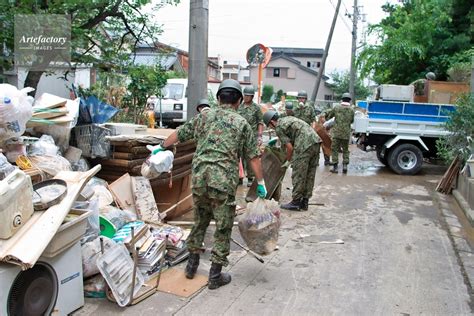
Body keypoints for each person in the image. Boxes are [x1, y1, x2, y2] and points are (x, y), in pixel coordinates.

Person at [153, 79, 267, 290]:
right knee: (223, 227)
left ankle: (191, 266)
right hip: (222, 181)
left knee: (200, 220)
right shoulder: (241, 123)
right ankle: (215, 275)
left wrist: (160, 147)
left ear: (218, 98)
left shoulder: (204, 116)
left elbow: (179, 134)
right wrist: (260, 183)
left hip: (199, 179)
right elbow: (253, 158)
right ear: (240, 101)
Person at [263, 110, 321, 211]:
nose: (271, 128)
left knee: (299, 174)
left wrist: (288, 161)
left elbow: (289, 148)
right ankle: (305, 201)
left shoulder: (279, 127)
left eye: (270, 125)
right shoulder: (287, 119)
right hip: (316, 141)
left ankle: (296, 202)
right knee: (309, 174)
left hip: (304, 144)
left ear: (272, 122)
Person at [237, 86, 264, 186]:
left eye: (248, 96)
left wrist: (260, 136)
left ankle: (250, 177)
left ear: (252, 97)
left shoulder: (256, 108)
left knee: (250, 157)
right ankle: (239, 177)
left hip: (251, 137)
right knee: (238, 157)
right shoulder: (239, 106)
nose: (246, 97)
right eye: (245, 95)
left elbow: (260, 122)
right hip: (240, 136)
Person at [325, 93, 355, 174]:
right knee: (345, 150)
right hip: (346, 133)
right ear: (349, 100)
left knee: (335, 149)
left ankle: (335, 168)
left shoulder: (336, 107)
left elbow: (329, 116)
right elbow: (352, 121)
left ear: (342, 99)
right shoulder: (352, 110)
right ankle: (345, 166)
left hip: (336, 133)